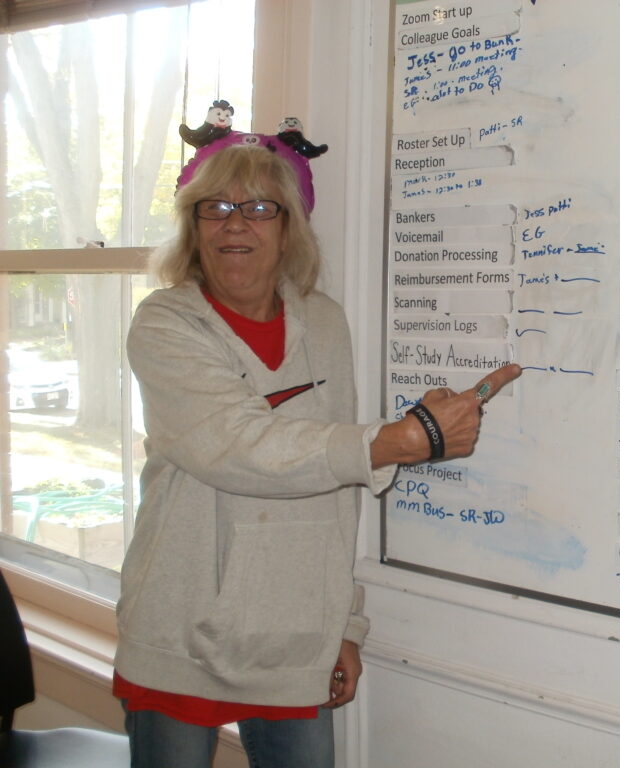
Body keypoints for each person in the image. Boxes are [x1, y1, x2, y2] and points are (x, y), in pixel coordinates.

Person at [113, 125, 520, 768]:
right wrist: (398, 442)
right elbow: (239, 447)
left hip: (294, 637)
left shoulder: (323, 320)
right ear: (193, 227)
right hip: (179, 632)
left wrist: (342, 626)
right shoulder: (165, 322)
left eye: (257, 208)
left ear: (288, 228)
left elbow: (335, 497)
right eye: (214, 208)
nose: (234, 225)